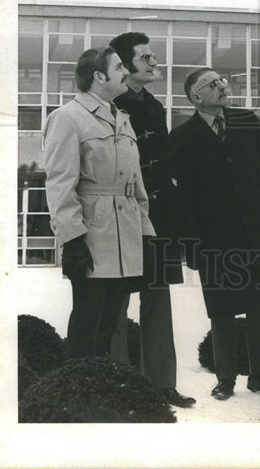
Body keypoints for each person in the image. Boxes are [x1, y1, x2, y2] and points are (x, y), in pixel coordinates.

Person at [169, 68, 260, 401]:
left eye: (222, 81)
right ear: (196, 97)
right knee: (221, 307)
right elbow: (185, 198)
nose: (223, 87)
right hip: (214, 237)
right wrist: (191, 244)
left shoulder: (247, 121)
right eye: (213, 84)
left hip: (258, 228)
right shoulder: (182, 137)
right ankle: (225, 378)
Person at [43, 47, 155, 359]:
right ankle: (79, 384)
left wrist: (146, 233)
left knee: (110, 323)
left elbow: (136, 186)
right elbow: (60, 184)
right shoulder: (67, 118)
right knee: (88, 321)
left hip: (125, 236)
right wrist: (72, 239)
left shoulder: (122, 119)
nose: (126, 72)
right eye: (119, 67)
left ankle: (101, 383)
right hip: (92, 237)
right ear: (98, 76)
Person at [107, 32, 195, 409]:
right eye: (145, 58)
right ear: (124, 66)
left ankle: (162, 385)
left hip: (158, 216)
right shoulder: (109, 105)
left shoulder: (156, 107)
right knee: (115, 302)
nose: (154, 62)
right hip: (121, 215)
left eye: (153, 56)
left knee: (157, 298)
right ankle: (119, 387)